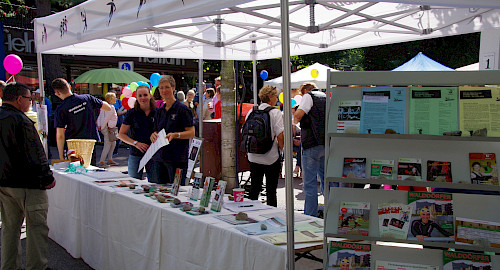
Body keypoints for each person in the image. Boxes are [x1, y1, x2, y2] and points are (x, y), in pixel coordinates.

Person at [0, 82, 56, 270]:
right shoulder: (22, 121)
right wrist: (47, 178)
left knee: (10, 228)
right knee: (36, 228)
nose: (30, 102)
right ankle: (37, 266)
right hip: (27, 184)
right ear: (18, 99)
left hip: (5, 183)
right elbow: (36, 155)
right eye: (28, 99)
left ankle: (9, 266)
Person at [53, 78, 112, 165]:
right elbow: (107, 107)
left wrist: (61, 156)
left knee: (74, 173)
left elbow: (60, 135)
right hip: (90, 142)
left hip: (73, 144)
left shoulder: (61, 109)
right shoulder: (87, 98)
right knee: (89, 170)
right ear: (69, 86)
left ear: (58, 93)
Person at [150, 75, 195, 184]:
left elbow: (191, 133)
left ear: (173, 88)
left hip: (177, 159)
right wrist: (153, 135)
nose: (164, 90)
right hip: (160, 158)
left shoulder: (183, 110)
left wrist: (176, 135)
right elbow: (156, 130)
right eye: (161, 88)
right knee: (160, 193)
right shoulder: (159, 111)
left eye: (167, 87)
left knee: (177, 194)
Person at [246, 85, 284, 207]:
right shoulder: (275, 113)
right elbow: (280, 136)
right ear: (271, 97)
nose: (277, 99)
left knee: (254, 187)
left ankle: (250, 212)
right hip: (270, 156)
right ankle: (272, 215)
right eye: (276, 96)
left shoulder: (252, 111)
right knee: (271, 190)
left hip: (253, 155)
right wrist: (282, 151)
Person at [293, 82, 326, 217]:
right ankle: (331, 213)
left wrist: (294, 120)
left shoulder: (309, 96)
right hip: (326, 143)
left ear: (305, 90)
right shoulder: (325, 97)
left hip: (311, 143)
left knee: (310, 184)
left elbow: (299, 115)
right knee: (326, 181)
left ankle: (310, 216)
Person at [119, 85, 159, 182]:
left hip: (153, 154)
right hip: (135, 154)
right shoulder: (131, 113)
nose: (143, 98)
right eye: (140, 95)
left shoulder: (158, 112)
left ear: (150, 95)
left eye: (145, 95)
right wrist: (135, 143)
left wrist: (156, 133)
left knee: (155, 185)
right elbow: (121, 134)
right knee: (133, 184)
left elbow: (164, 131)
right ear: (136, 97)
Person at [97, 92, 118, 167]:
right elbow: (107, 118)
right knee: (108, 144)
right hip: (108, 127)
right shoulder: (111, 107)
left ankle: (109, 159)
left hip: (106, 127)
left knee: (112, 143)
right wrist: (102, 126)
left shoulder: (104, 106)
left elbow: (100, 116)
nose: (116, 98)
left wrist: (99, 125)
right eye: (114, 97)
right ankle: (102, 161)